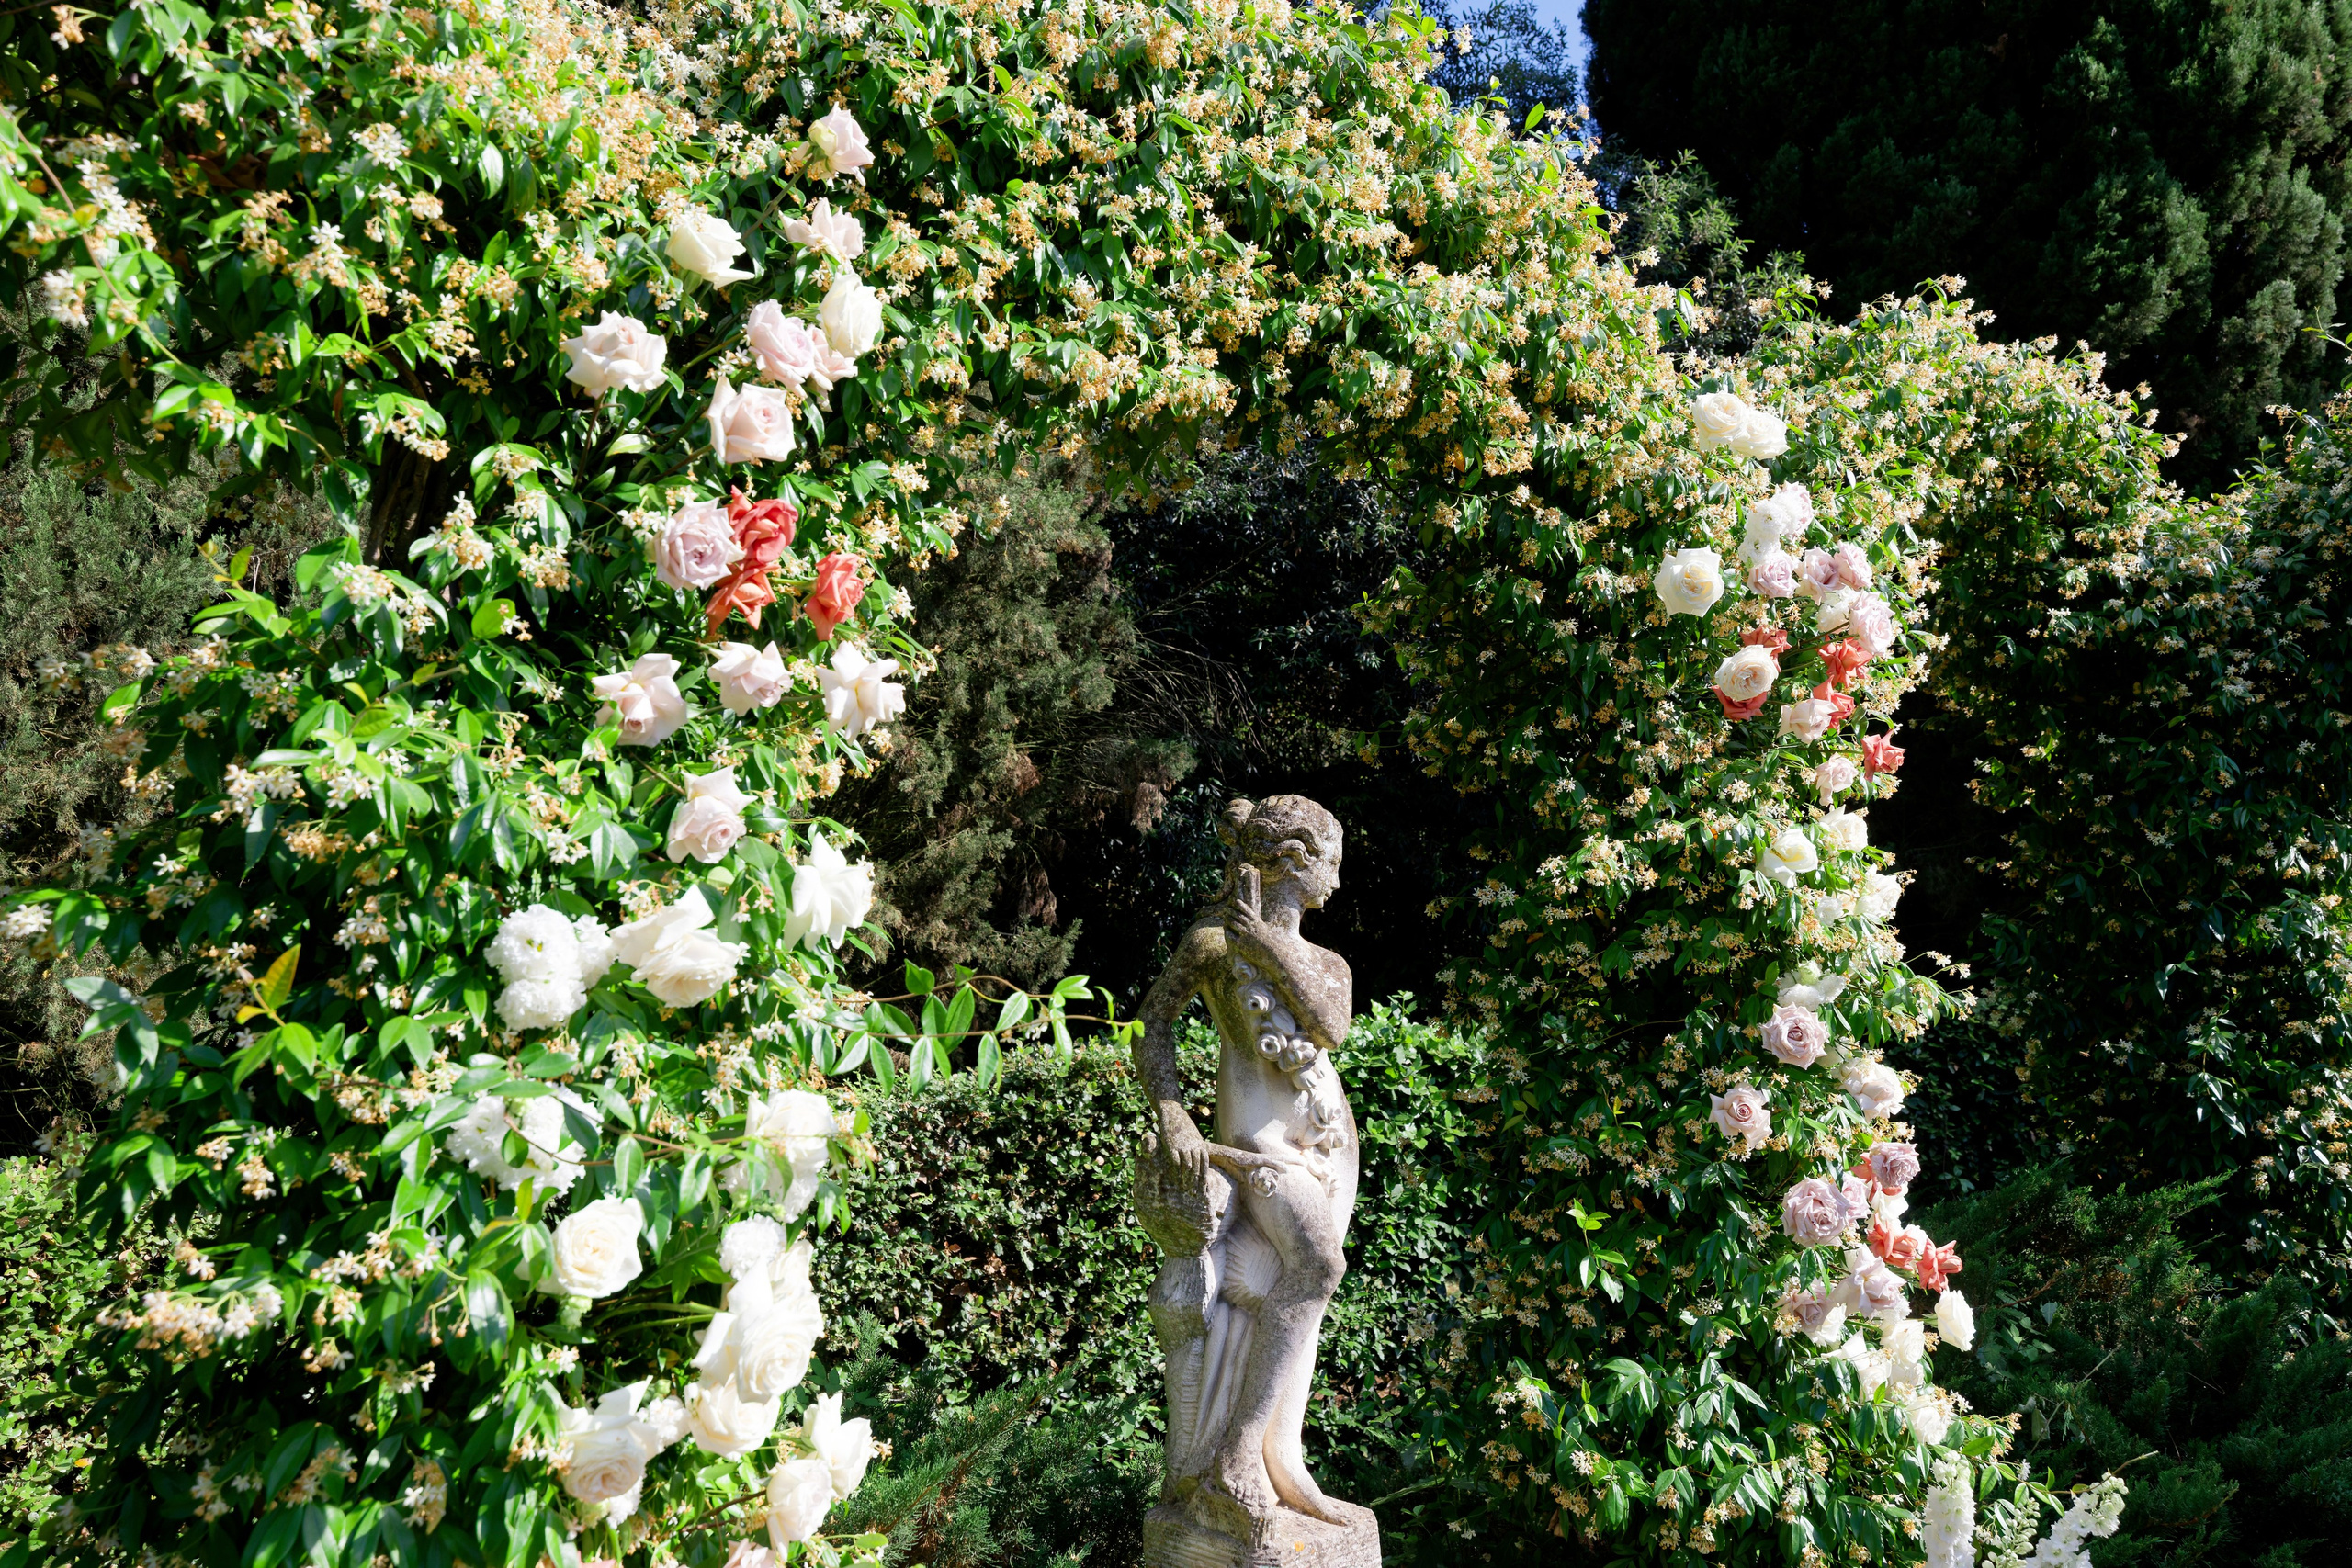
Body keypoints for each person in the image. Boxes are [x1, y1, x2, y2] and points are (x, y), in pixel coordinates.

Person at [1134, 795, 1360, 1535]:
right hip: (1260, 1142)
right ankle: (1232, 1456)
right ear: (1297, 862)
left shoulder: (1320, 960)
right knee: (1319, 1265)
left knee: (1303, 1294)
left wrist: (1268, 945)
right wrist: (1171, 1108)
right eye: (1330, 859)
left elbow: (1330, 1026)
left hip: (1327, 1146)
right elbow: (1155, 1023)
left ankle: (1276, 1457)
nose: (1336, 875)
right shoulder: (1211, 943)